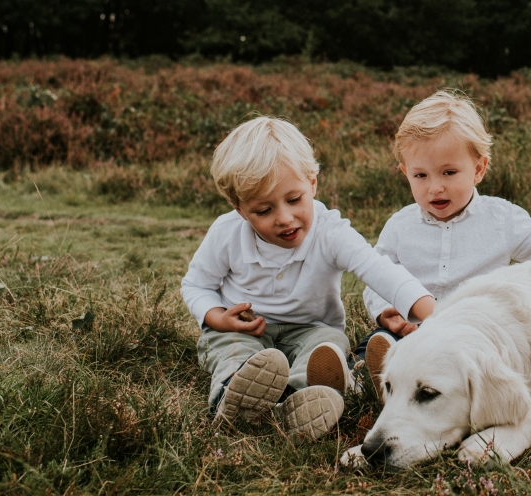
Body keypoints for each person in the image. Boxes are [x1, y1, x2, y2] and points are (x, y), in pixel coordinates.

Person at [359, 91, 531, 402]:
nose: (435, 186)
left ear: (478, 169)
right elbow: (376, 275)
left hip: (473, 333)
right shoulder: (399, 225)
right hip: (410, 329)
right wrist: (386, 311)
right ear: (405, 173)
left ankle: (403, 380)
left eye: (449, 172)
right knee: (377, 341)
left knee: (475, 358)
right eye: (420, 175)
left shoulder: (500, 219)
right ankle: (361, 375)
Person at [181, 116, 434, 438]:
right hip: (246, 329)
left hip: (311, 330)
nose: (284, 218)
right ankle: (232, 400)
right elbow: (196, 284)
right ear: (239, 208)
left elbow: (380, 270)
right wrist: (217, 318)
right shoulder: (227, 232)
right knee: (233, 350)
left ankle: (298, 400)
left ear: (312, 183)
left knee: (330, 343)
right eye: (263, 210)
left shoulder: (331, 232)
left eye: (294, 200)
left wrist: (436, 314)